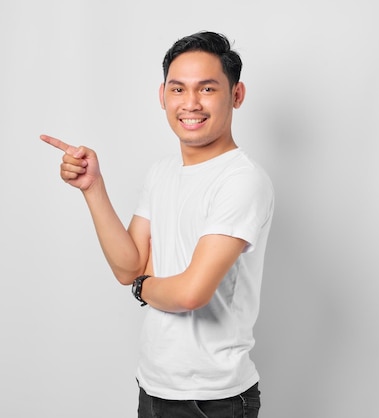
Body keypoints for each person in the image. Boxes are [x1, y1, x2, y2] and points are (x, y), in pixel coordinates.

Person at [40, 31, 274, 418]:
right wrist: (93, 188)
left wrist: (142, 286)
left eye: (207, 89)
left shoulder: (242, 180)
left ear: (237, 95)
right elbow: (128, 265)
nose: (190, 103)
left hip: (212, 398)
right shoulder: (162, 172)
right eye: (178, 89)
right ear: (162, 95)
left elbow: (189, 293)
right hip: (153, 385)